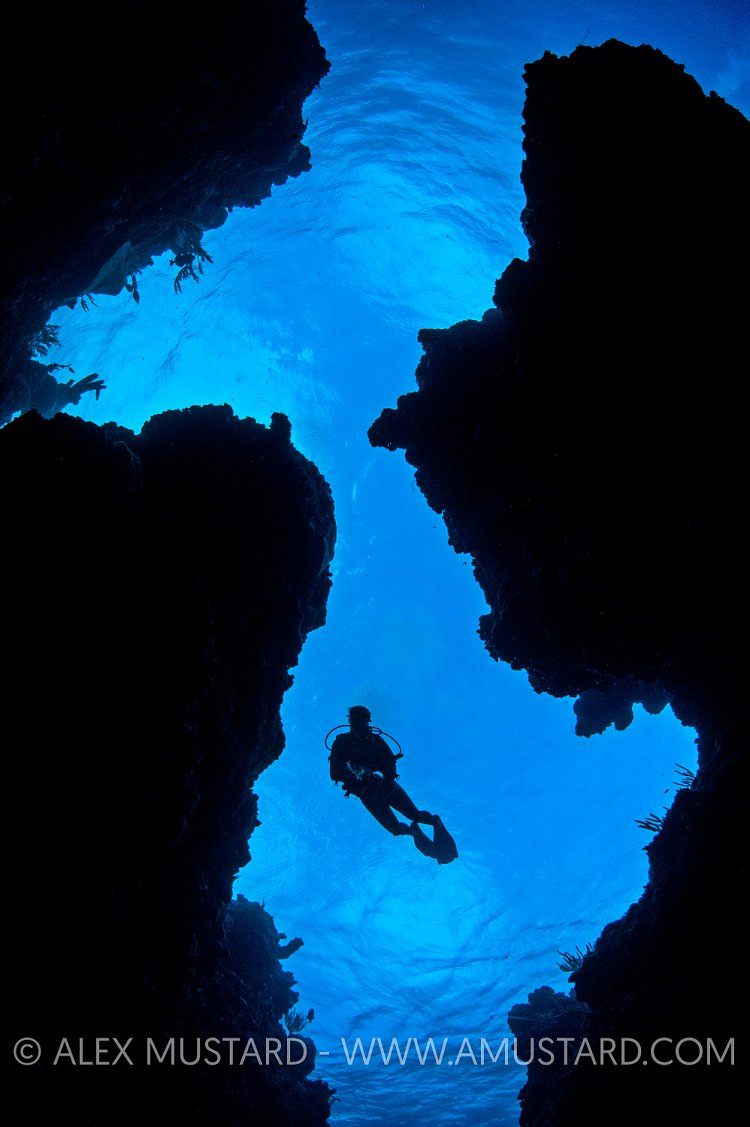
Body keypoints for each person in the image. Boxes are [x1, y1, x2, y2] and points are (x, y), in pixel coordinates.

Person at [328, 705, 458, 864]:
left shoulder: (375, 740)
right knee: (395, 829)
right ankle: (413, 831)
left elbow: (390, 764)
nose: (358, 724)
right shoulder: (341, 743)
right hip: (367, 794)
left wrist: (385, 783)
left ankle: (435, 822)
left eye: (361, 721)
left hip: (383, 786)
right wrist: (355, 777)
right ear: (350, 721)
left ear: (367, 722)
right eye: (355, 721)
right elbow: (334, 773)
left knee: (415, 815)